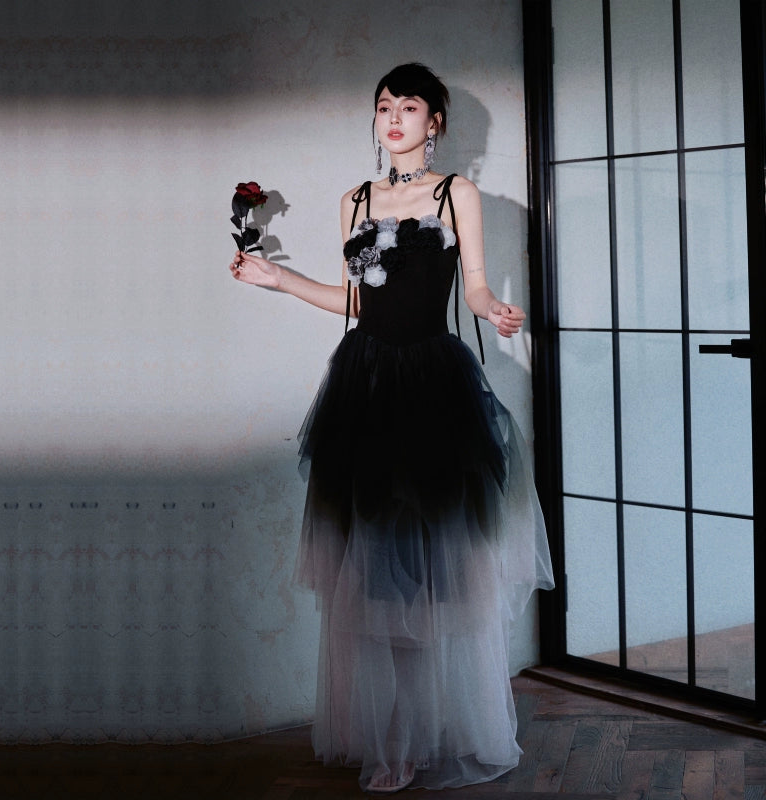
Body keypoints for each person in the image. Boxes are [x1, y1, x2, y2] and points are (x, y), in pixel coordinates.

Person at [230, 63, 553, 795]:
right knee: (375, 578)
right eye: (384, 106)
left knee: (436, 579)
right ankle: (395, 743)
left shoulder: (454, 193)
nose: (395, 118)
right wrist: (278, 279)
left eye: (409, 107)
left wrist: (497, 309)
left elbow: (473, 286)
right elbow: (356, 301)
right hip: (365, 388)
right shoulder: (355, 199)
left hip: (434, 389)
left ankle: (437, 732)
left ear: (435, 122)